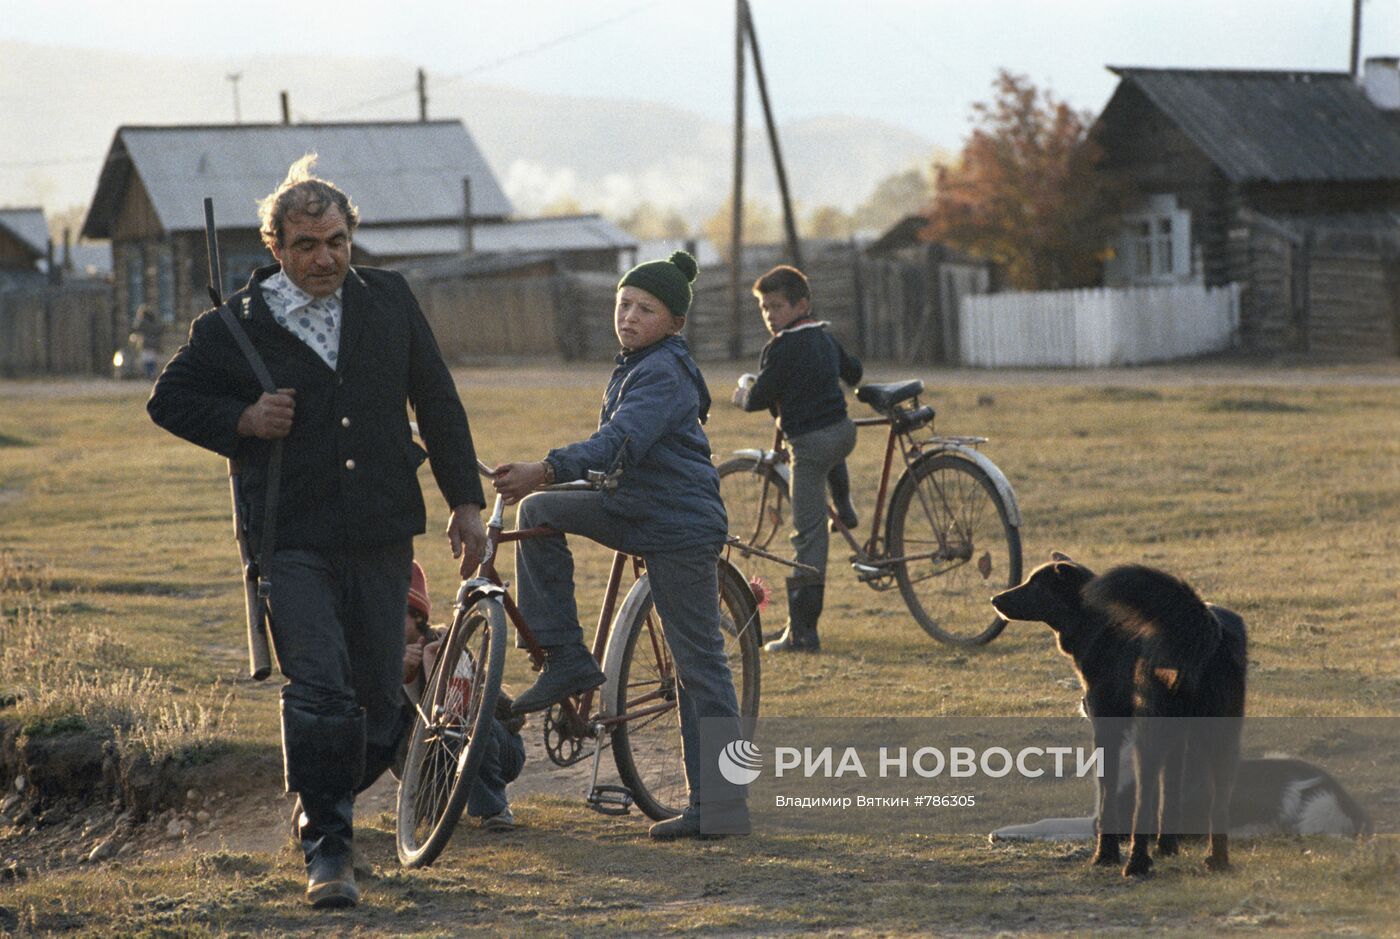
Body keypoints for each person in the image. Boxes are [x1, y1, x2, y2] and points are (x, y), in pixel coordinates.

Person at [146, 155, 487, 909]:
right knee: (321, 687)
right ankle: (328, 843)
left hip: (380, 531)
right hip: (288, 533)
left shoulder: (390, 300)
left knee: (374, 693)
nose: (325, 257)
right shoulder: (236, 324)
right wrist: (240, 419)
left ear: (351, 235)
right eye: (306, 245)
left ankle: (329, 780)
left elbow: (437, 400)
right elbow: (168, 398)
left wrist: (465, 501)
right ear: (276, 247)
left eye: (336, 240)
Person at [491, 251, 749, 840]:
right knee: (539, 511)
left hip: (681, 524)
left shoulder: (662, 373)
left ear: (675, 322)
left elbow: (619, 439)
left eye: (645, 309)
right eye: (623, 304)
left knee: (699, 665)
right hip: (635, 506)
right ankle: (566, 660)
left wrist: (548, 466)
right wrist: (549, 481)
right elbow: (617, 455)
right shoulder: (638, 361)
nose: (628, 317)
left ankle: (723, 806)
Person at [733, 265, 862, 653]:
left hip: (809, 445)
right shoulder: (823, 335)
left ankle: (803, 634)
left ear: (801, 304)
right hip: (843, 435)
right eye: (764, 308)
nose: (770, 315)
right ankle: (844, 506)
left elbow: (758, 398)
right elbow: (853, 373)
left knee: (808, 538)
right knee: (829, 454)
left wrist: (743, 392)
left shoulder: (782, 346)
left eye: (777, 306)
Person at [398, 561, 524, 832]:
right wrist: (396, 678)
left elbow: (461, 712)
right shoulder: (382, 658)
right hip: (435, 757)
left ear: (417, 615)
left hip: (499, 743)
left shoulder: (443, 644)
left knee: (465, 725)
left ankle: (495, 808)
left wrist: (434, 664)